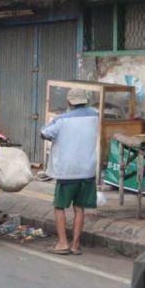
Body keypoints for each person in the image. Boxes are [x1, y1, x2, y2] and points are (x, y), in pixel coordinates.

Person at [41, 88, 99, 256]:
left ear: (69, 102)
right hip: (87, 170)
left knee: (59, 206)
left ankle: (62, 243)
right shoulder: (95, 116)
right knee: (79, 208)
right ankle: (75, 245)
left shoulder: (61, 120)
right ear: (85, 100)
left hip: (67, 171)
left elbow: (44, 133)